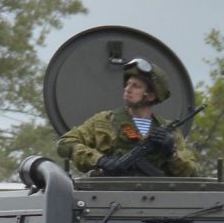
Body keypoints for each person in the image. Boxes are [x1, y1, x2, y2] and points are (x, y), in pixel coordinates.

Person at [58, 57, 197, 177]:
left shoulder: (168, 132)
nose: (127, 89)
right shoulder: (105, 121)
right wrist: (101, 160)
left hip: (157, 199)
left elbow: (191, 172)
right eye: (128, 84)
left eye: (136, 86)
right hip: (110, 196)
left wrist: (171, 152)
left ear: (151, 96)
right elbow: (65, 144)